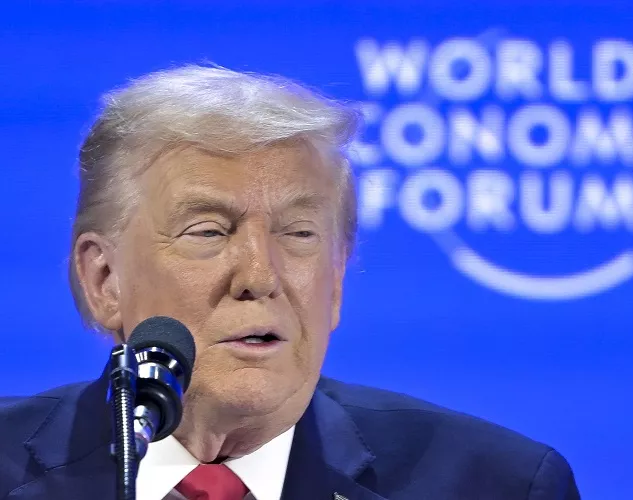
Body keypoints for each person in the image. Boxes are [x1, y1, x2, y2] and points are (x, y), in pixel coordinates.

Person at [0, 65, 580, 500]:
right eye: (208, 231)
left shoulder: (496, 485)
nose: (260, 276)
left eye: (299, 234)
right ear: (104, 280)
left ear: (336, 281)